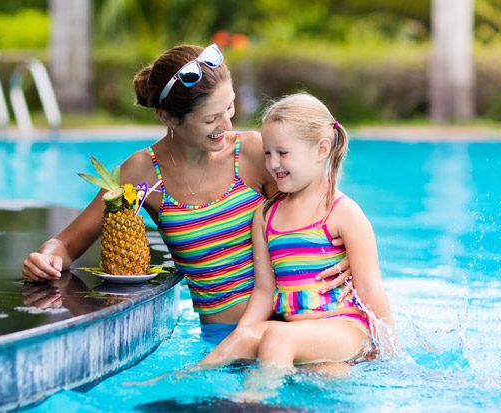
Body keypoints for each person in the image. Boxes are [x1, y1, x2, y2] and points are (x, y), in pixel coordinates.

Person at [22, 44, 351, 343]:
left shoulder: (253, 153)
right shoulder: (143, 172)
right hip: (220, 337)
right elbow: (66, 244)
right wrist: (47, 258)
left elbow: (325, 210)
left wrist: (349, 258)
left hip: (291, 328)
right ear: (168, 117)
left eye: (230, 108)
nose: (227, 123)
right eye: (211, 118)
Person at [199, 93, 396, 376]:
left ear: (321, 149)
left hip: (345, 327)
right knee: (255, 341)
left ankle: (253, 404)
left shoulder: (343, 213)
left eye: (283, 152)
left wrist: (391, 353)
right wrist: (242, 336)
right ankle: (178, 382)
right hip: (299, 332)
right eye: (268, 153)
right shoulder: (266, 216)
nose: (273, 163)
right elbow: (265, 291)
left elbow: (371, 289)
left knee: (278, 338)